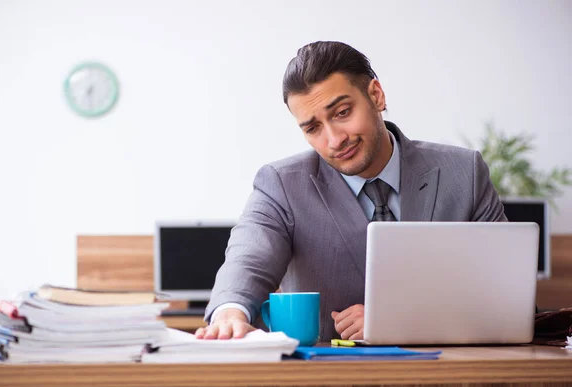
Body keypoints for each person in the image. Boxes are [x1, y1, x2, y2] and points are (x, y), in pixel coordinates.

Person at [195, 41, 507, 342]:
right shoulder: (281, 185)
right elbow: (248, 258)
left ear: (376, 95)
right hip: (328, 382)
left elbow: (502, 291)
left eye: (342, 112)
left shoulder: (464, 173)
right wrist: (229, 313)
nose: (333, 140)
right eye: (313, 128)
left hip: (450, 376)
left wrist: (396, 317)